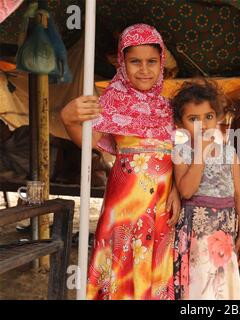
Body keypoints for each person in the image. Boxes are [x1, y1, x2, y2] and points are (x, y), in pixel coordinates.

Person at [60, 24, 180, 300]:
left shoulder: (170, 107)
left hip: (161, 206)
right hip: (124, 205)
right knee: (120, 261)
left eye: (151, 61)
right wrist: (68, 119)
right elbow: (88, 141)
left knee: (155, 263)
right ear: (122, 63)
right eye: (134, 61)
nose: (144, 69)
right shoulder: (111, 100)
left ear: (161, 63)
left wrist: (177, 191)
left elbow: (179, 158)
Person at [171, 80, 240, 300]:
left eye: (208, 117)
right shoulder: (181, 153)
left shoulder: (230, 154)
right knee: (200, 288)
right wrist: (199, 152)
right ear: (180, 124)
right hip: (195, 237)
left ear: (217, 116)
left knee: (223, 288)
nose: (203, 125)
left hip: (225, 233)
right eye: (193, 119)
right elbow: (186, 191)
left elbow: (239, 195)